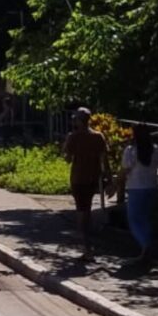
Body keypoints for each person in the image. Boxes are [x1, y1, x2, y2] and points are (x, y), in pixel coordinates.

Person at [64, 109, 108, 255]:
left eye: (75, 119)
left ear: (78, 121)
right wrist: (106, 175)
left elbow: (68, 159)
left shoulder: (73, 137)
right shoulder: (98, 136)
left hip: (78, 177)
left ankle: (85, 245)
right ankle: (86, 243)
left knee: (80, 210)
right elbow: (103, 158)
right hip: (92, 177)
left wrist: (66, 145)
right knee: (87, 208)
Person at [120, 134, 158, 261]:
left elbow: (125, 170)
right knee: (145, 218)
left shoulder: (131, 150)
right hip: (151, 187)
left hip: (135, 188)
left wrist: (116, 184)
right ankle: (147, 248)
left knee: (134, 219)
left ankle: (146, 246)